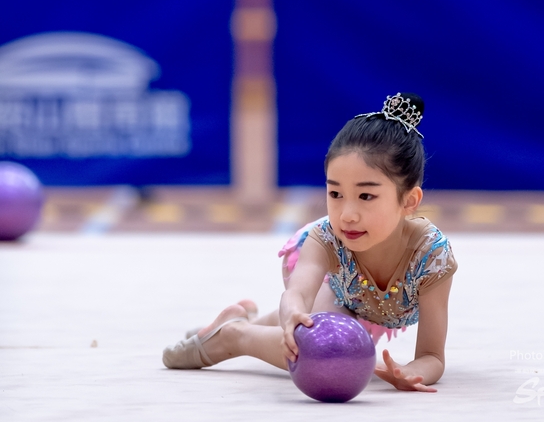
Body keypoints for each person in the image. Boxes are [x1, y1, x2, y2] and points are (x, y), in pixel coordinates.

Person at [162, 92, 458, 392]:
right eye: (335, 194)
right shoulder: (327, 237)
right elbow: (299, 294)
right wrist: (292, 312)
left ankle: (245, 321)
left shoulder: (432, 257)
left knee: (337, 337)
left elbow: (432, 356)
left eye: (366, 196)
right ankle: (233, 337)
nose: (347, 215)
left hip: (360, 302)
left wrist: (410, 372)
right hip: (330, 281)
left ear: (409, 201)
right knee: (328, 349)